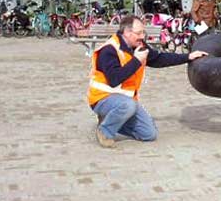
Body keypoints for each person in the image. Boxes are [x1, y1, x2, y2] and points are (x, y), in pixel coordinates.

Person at [87, 15, 208, 148]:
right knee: (128, 106)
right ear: (126, 33)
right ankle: (105, 132)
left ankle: (109, 120)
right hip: (101, 99)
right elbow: (114, 79)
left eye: (143, 32)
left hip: (126, 101)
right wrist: (136, 60)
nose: (142, 36)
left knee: (149, 134)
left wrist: (188, 57)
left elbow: (159, 59)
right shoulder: (109, 50)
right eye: (138, 33)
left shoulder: (138, 45)